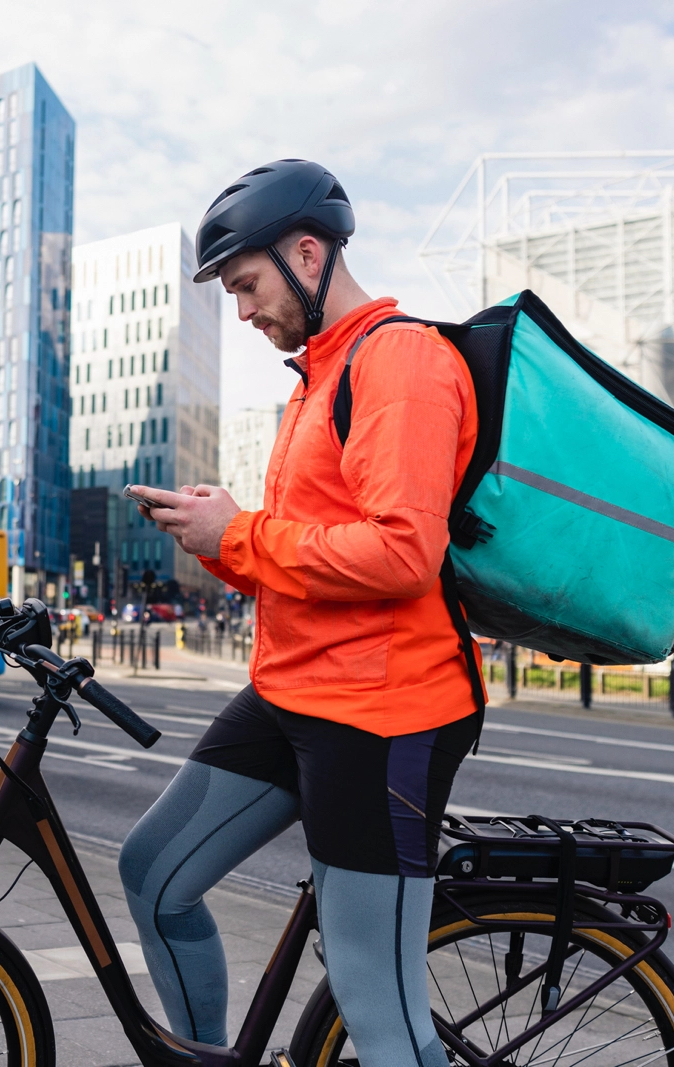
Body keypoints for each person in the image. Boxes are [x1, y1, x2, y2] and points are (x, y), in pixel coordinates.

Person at [118, 160, 481, 1067]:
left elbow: (403, 556)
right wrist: (221, 534)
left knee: (378, 1005)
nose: (242, 312)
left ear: (307, 252)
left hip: (384, 712)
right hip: (293, 691)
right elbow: (306, 557)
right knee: (155, 875)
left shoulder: (399, 362)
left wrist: (238, 533)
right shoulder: (315, 380)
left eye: (246, 286)